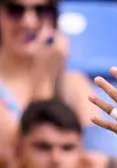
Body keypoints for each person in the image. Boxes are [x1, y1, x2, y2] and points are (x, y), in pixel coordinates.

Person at [0, 0, 96, 158]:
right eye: (15, 10)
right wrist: (44, 82)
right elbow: (25, 159)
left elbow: (95, 153)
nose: (29, 23)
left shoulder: (72, 82)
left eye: (41, 11)